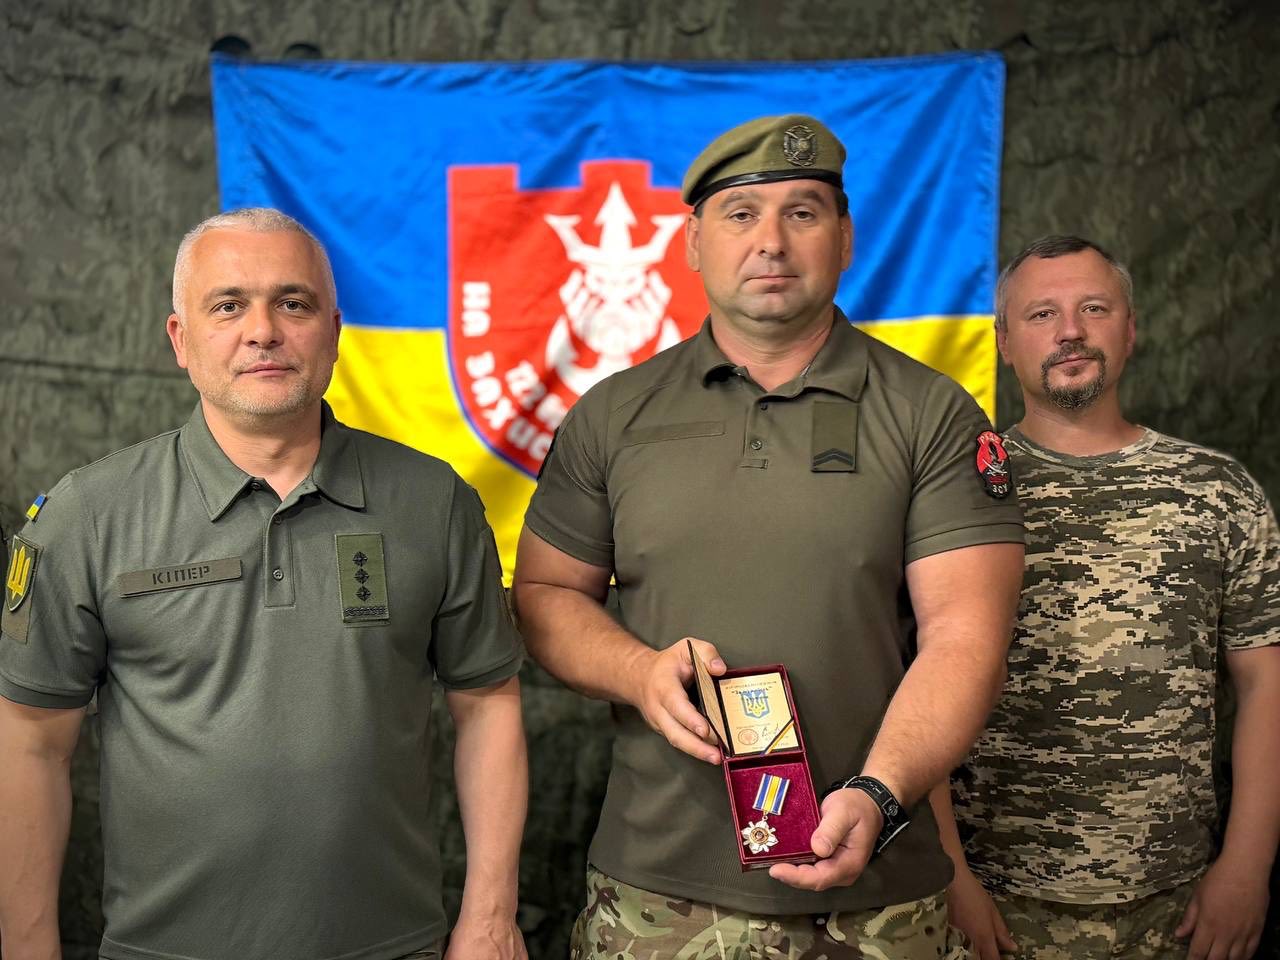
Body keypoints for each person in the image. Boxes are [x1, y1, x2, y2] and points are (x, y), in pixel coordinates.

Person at [512, 114, 1026, 958]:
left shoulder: (931, 413)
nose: (772, 242)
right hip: (655, 900)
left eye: (804, 213)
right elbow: (543, 594)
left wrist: (880, 794)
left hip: (879, 903)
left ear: (846, 238)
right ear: (692, 242)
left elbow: (967, 639)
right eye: (741, 214)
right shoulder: (613, 416)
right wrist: (639, 672)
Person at [0, 208, 528, 960]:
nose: (262, 331)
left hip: (393, 947)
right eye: (227, 305)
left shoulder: (434, 502)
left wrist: (490, 919)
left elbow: (488, 706)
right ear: (180, 338)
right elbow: (28, 744)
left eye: (293, 303)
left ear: (334, 333)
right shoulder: (88, 515)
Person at [937, 235, 1280, 960]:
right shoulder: (958, 494)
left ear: (1131, 329)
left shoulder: (1218, 492)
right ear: (1003, 341)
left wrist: (1248, 867)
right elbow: (912, 682)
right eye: (1042, 314)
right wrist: (950, 877)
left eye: (1094, 308)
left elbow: (1266, 683)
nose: (1070, 330)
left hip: (1177, 906)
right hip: (998, 905)